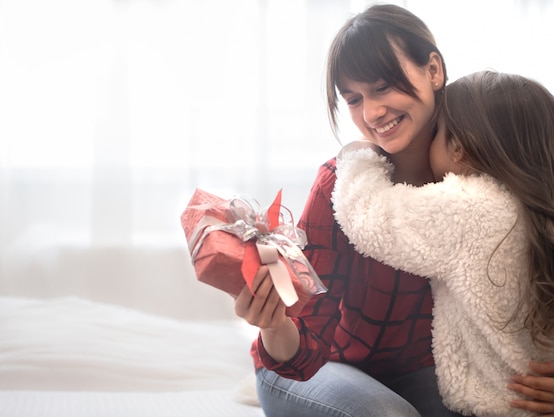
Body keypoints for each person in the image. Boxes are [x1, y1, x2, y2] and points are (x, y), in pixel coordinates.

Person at [232, 4, 554, 417]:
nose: (370, 114)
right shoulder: (342, 185)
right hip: (316, 367)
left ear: (433, 70)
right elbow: (303, 345)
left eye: (383, 87)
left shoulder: (488, 170)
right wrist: (274, 324)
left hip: (422, 375)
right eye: (353, 99)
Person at [332, 70, 554, 417]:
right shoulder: (540, 208)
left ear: (460, 150)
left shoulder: (470, 206)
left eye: (437, 133)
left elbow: (371, 217)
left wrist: (357, 158)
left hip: (495, 406)